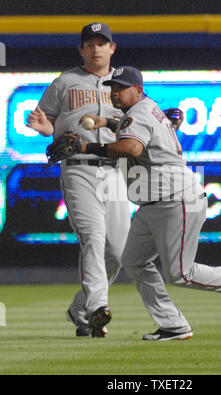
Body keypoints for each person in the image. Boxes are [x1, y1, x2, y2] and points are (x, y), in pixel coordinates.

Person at [50, 66, 221, 341]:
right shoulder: (142, 111)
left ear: (138, 90)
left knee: (180, 273)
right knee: (133, 261)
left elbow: (131, 148)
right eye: (113, 88)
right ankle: (173, 324)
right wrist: (107, 124)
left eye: (121, 88)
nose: (115, 93)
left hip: (176, 200)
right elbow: (136, 133)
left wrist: (86, 147)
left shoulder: (137, 113)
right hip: (153, 204)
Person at [26, 23, 131, 338]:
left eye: (102, 43)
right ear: (81, 49)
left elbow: (137, 123)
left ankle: (80, 308)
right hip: (78, 169)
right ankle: (98, 309)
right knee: (93, 238)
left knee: (119, 250)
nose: (96, 49)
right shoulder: (65, 82)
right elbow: (45, 120)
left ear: (112, 48)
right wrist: (48, 129)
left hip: (115, 170)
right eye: (90, 43)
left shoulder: (126, 83)